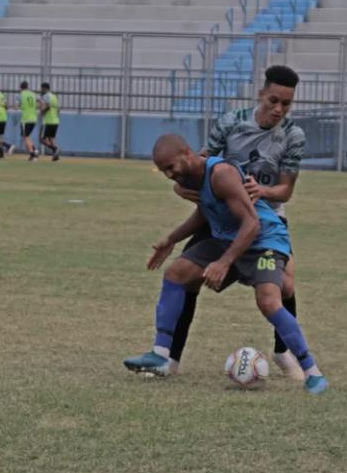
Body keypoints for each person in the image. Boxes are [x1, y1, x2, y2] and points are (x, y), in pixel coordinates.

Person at [122, 134, 327, 395]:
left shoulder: (221, 174)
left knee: (268, 301)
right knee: (176, 273)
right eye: (163, 171)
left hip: (264, 238)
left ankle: (312, 372)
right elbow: (206, 213)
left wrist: (224, 262)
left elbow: (252, 223)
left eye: (170, 167)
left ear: (186, 153)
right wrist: (171, 239)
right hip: (229, 236)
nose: (169, 175)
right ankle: (161, 354)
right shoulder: (192, 179)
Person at [167, 65, 305, 380]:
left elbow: (286, 190)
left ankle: (284, 353)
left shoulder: (293, 136)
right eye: (274, 100)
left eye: (286, 103)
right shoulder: (231, 123)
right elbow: (199, 164)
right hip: (220, 220)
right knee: (185, 278)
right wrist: (182, 186)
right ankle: (170, 358)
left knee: (285, 285)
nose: (279, 109)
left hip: (267, 221)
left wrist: (263, 190)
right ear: (261, 94)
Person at [13, 80, 39, 161]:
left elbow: (16, 108)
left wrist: (20, 106)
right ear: (27, 87)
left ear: (21, 88)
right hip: (34, 118)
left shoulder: (20, 95)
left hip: (26, 118)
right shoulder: (33, 94)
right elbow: (42, 101)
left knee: (25, 137)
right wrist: (37, 108)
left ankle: (32, 154)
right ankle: (34, 151)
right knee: (27, 136)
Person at [38, 82, 61, 161]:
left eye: (41, 88)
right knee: (51, 138)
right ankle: (56, 156)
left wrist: (42, 111)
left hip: (48, 121)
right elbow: (58, 109)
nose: (41, 90)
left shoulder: (45, 96)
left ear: (44, 88)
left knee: (42, 139)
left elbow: (48, 106)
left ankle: (55, 149)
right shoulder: (54, 96)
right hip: (55, 120)